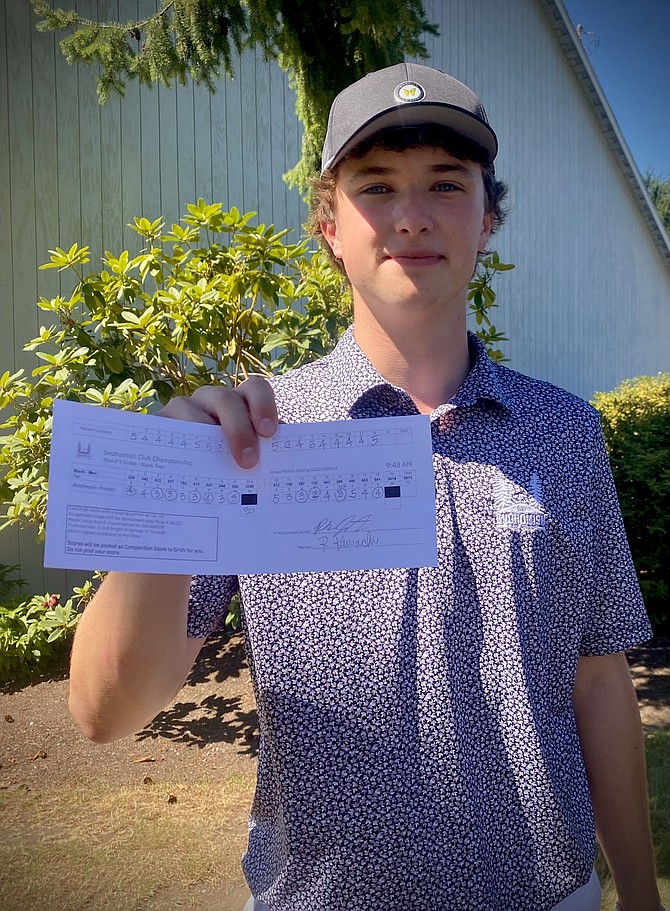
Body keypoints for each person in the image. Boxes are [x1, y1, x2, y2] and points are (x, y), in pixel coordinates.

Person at [68, 63, 663, 911]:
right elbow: (104, 710)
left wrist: (639, 893)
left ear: (488, 217)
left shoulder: (564, 431)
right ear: (327, 227)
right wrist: (171, 496)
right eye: (375, 186)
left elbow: (598, 678)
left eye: (446, 185)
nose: (412, 215)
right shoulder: (259, 434)